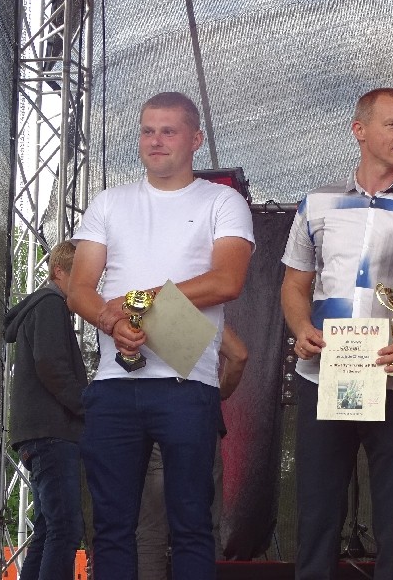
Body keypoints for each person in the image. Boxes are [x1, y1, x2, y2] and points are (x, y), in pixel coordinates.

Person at [67, 91, 254, 580]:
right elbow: (79, 289)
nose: (156, 140)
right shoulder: (109, 202)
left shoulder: (223, 201)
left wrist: (137, 300)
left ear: (196, 139)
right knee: (111, 526)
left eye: (168, 131)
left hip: (187, 384)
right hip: (113, 382)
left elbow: (227, 281)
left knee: (191, 523)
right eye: (147, 131)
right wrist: (112, 322)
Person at [281, 87, 393, 579]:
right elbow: (294, 285)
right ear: (359, 130)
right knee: (317, 515)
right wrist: (301, 327)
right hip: (324, 375)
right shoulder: (317, 204)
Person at [3, 240, 87, 580]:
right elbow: (50, 365)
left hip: (38, 434)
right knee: (65, 528)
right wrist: (86, 405)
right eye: (82, 275)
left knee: (49, 529)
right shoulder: (51, 304)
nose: (87, 285)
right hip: (52, 433)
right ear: (59, 272)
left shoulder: (42, 306)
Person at [136, 327, 248, 578]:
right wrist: (218, 395)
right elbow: (239, 355)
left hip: (150, 413)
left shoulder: (137, 310)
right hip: (199, 418)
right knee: (203, 526)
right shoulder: (199, 314)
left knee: (151, 531)